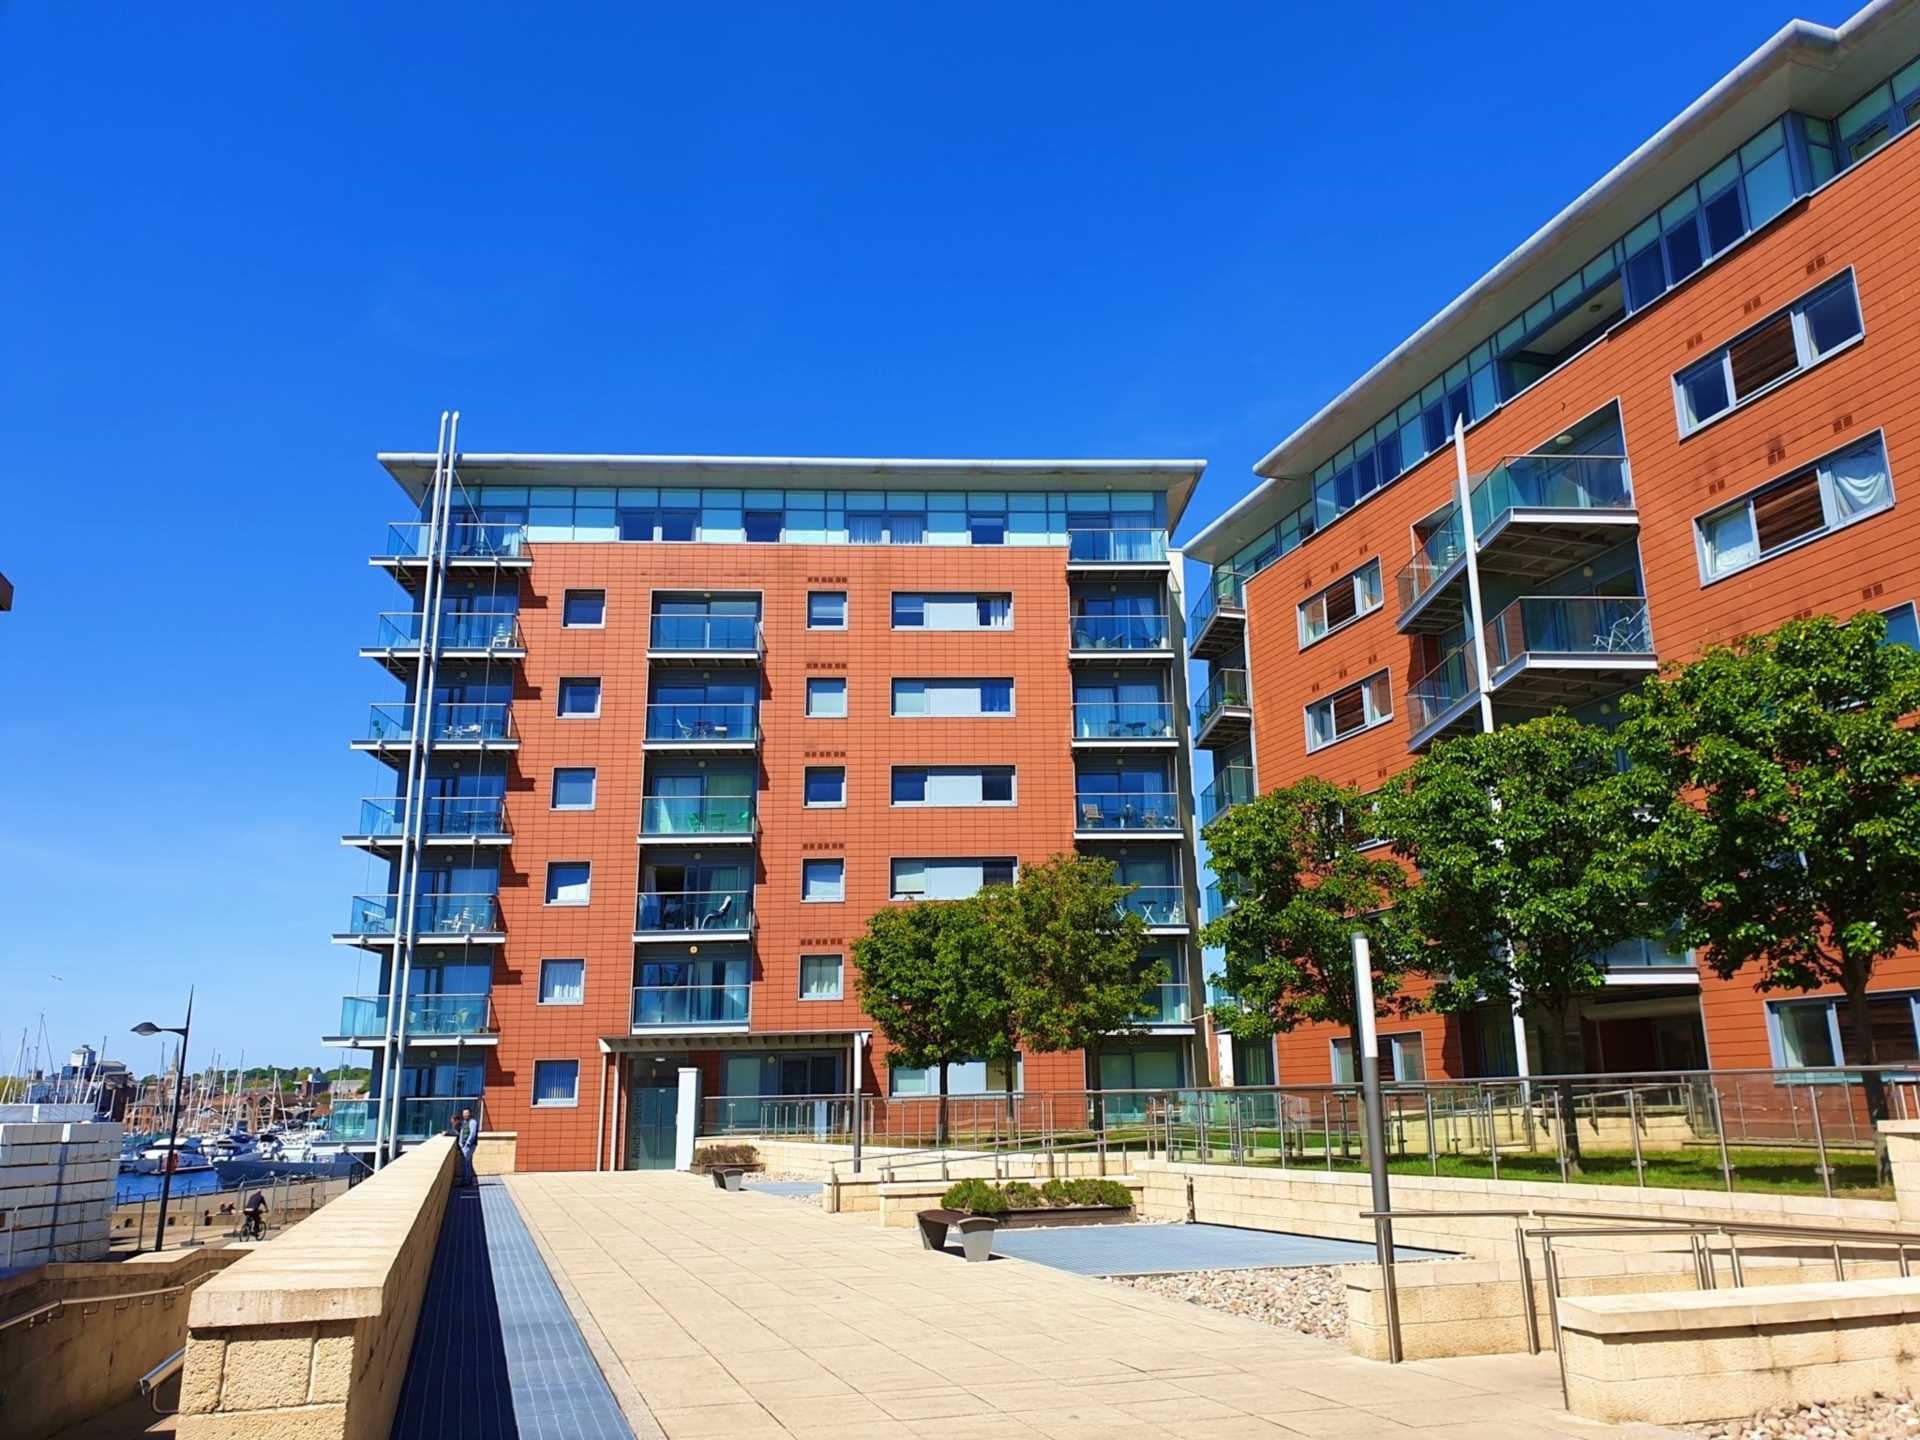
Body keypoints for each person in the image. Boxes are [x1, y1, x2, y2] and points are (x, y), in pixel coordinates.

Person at [456, 1108, 479, 1188]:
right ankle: (468, 1181)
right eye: (464, 1113)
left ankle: (465, 1181)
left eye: (466, 1113)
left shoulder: (473, 1122)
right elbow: (461, 1133)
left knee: (465, 1163)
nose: (465, 1115)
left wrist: (467, 1143)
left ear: (470, 1113)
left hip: (469, 1145)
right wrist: (460, 1143)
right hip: (464, 1145)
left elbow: (472, 1133)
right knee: (467, 1163)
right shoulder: (464, 1122)